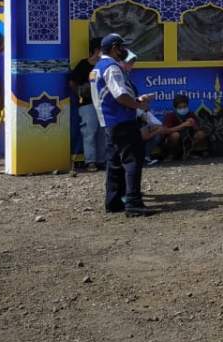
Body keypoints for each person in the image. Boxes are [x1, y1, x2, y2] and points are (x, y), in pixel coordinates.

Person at [90, 34, 155, 216]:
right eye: (120, 48)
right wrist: (138, 104)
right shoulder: (112, 68)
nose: (123, 51)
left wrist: (135, 100)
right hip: (122, 121)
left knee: (115, 163)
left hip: (109, 122)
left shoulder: (97, 68)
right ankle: (133, 203)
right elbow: (120, 95)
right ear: (113, 48)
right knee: (133, 160)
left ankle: (113, 201)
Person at [69, 38, 103, 171]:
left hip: (102, 103)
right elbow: (72, 82)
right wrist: (80, 94)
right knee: (89, 132)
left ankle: (102, 160)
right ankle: (90, 161)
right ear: (96, 50)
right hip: (88, 104)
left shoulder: (105, 65)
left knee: (102, 132)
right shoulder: (83, 65)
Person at [161, 94, 208, 160]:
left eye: (185, 106)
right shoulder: (170, 116)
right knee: (175, 135)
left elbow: (198, 129)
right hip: (175, 142)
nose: (183, 109)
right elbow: (165, 130)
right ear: (175, 108)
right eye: (180, 107)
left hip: (188, 140)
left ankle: (191, 153)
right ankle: (172, 154)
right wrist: (182, 125)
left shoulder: (191, 114)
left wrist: (194, 124)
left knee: (201, 134)